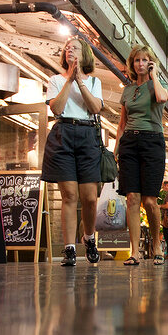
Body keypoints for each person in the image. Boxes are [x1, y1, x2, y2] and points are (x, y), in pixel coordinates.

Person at [41, 36, 104, 266]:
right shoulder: (55, 80)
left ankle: (88, 238)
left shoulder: (94, 82)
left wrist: (80, 81)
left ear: (84, 54)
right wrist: (69, 81)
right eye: (67, 48)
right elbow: (56, 109)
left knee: (89, 198)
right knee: (69, 196)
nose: (69, 50)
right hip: (63, 134)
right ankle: (69, 249)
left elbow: (95, 108)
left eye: (75, 48)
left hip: (88, 135)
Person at [114, 44, 168, 265]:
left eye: (144, 60)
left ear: (150, 63)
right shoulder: (127, 90)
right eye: (136, 60)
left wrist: (154, 75)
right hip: (129, 143)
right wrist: (116, 150)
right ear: (132, 64)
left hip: (153, 142)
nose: (140, 64)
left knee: (149, 200)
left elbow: (163, 98)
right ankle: (134, 251)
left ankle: (156, 243)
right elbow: (121, 124)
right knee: (132, 199)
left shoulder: (158, 85)